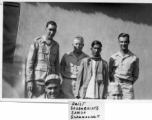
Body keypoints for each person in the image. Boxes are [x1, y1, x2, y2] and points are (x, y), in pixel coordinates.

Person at [26, 21, 59, 98]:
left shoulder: (56, 45)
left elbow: (56, 64)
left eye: (54, 30)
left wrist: (57, 81)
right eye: (50, 29)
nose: (52, 32)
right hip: (37, 81)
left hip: (50, 83)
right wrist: (29, 80)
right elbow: (30, 62)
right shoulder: (36, 42)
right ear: (45, 29)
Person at [109, 33, 139, 99]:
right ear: (119, 42)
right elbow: (110, 72)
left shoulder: (134, 58)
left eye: (125, 42)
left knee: (128, 107)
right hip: (115, 86)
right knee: (113, 107)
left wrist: (127, 82)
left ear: (128, 42)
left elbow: (135, 75)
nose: (123, 44)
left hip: (127, 87)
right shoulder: (113, 57)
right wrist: (114, 82)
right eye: (121, 42)